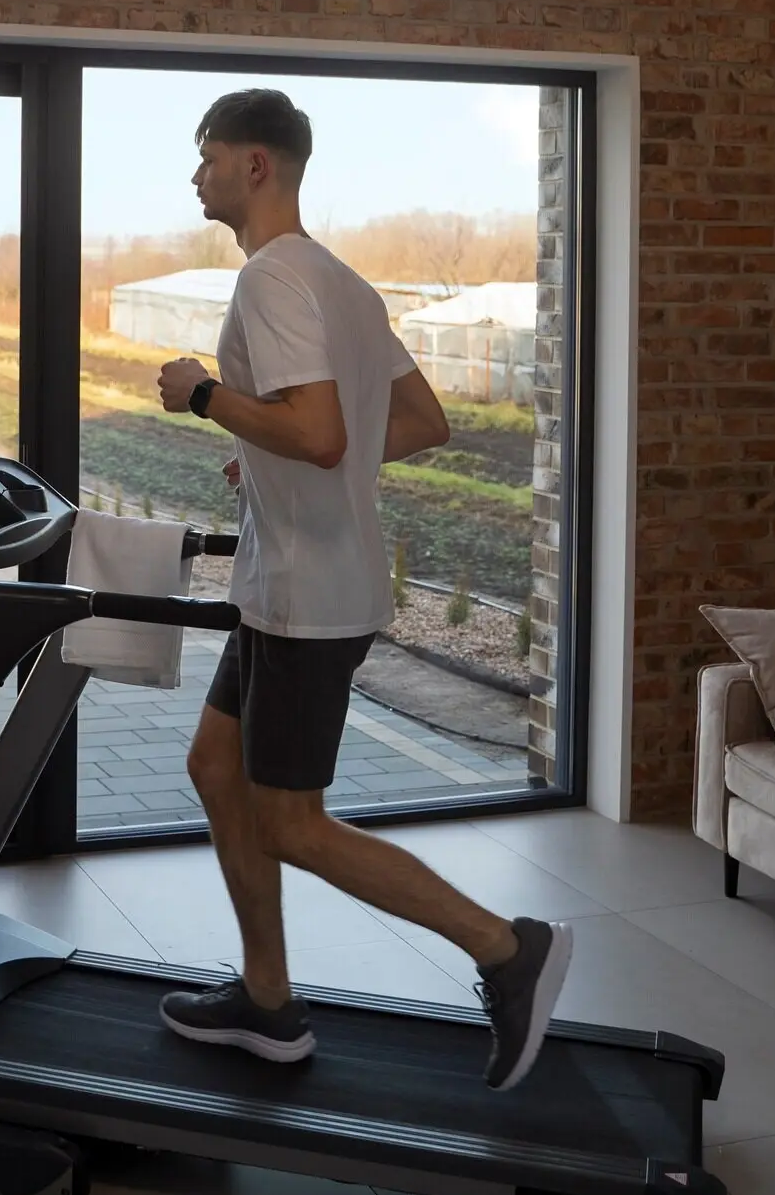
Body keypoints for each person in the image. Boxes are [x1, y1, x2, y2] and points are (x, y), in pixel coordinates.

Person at [155, 87, 571, 1091]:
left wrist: (203, 394)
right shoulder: (341, 280)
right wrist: (286, 464)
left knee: (292, 820)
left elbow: (321, 430)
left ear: (257, 164)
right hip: (285, 589)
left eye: (207, 155)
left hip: (305, 599)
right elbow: (418, 419)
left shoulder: (270, 278)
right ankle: (264, 998)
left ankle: (507, 949)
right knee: (216, 768)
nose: (195, 174)